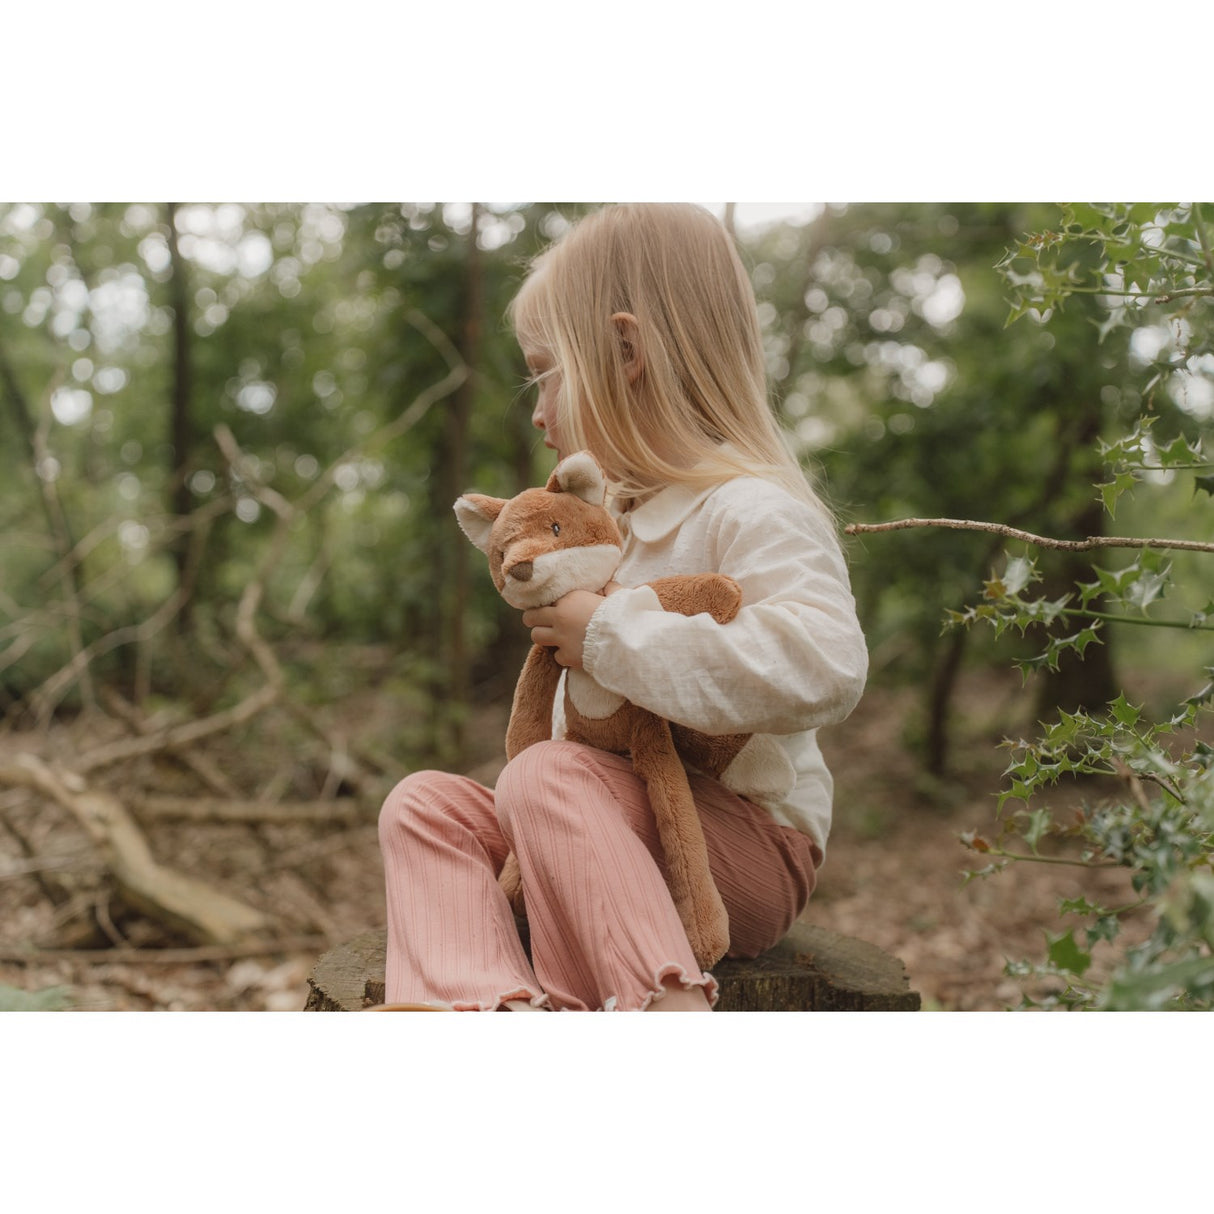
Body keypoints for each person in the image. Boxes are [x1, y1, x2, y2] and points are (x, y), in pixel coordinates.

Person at [377, 203, 867, 1011]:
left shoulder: (749, 508)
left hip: (741, 848)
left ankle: (660, 1004)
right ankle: (483, 1005)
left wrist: (608, 633)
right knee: (425, 805)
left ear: (627, 352)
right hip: (593, 816)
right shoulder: (612, 528)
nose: (537, 410)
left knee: (545, 776)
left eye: (546, 373)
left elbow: (827, 667)